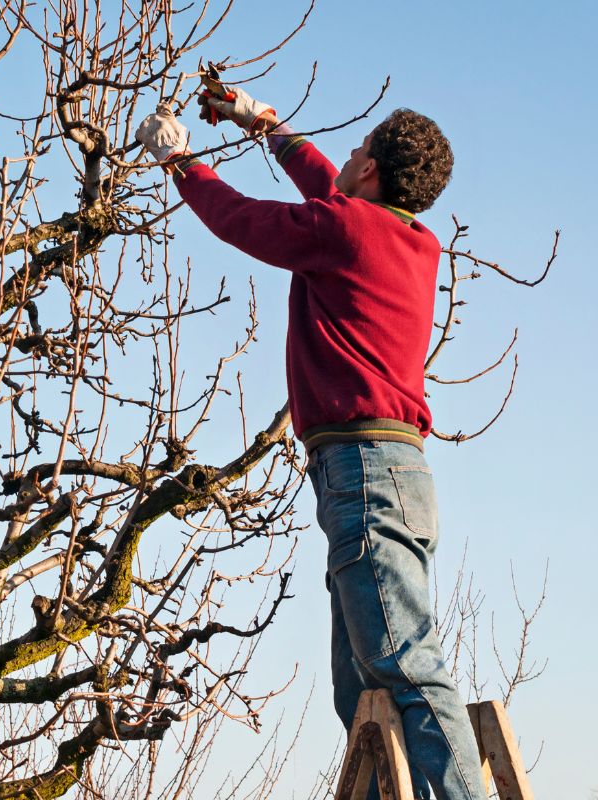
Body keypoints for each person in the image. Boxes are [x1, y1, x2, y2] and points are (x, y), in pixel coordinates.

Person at [135, 90, 486, 800]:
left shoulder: (346, 232)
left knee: (405, 666)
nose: (349, 155)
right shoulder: (408, 240)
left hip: (365, 472)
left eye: (360, 150)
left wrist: (179, 163)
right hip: (386, 473)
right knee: (360, 688)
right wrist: (265, 125)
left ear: (374, 177)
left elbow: (245, 221)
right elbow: (332, 190)